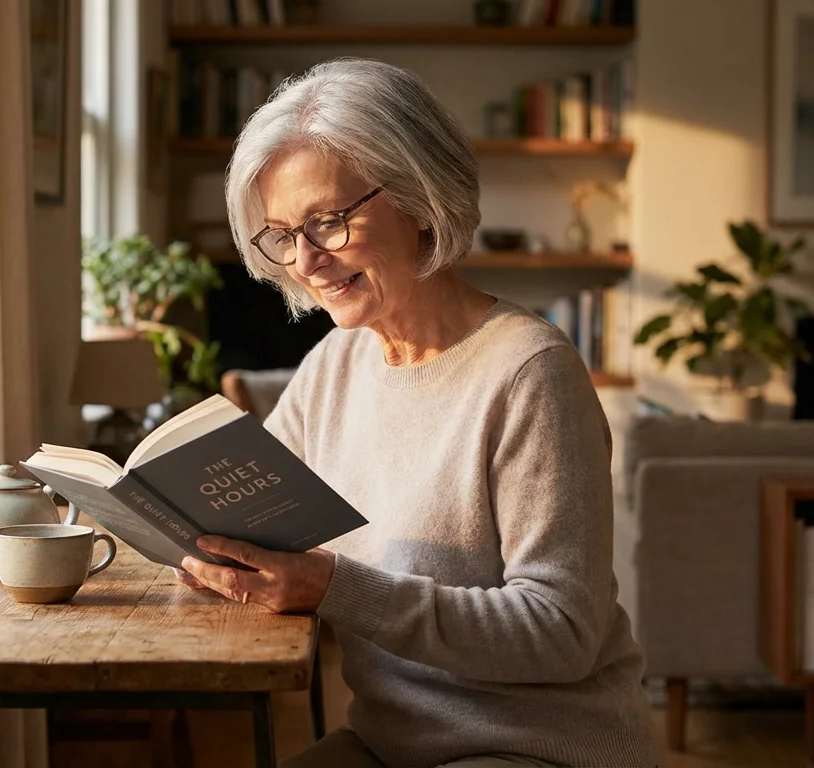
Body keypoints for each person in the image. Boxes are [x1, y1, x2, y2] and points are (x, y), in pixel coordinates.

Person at [176, 58, 656, 768]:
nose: (305, 261)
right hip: (392, 743)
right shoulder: (336, 365)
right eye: (281, 234)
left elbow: (560, 631)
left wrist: (335, 588)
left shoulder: (530, 372)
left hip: (540, 747)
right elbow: (250, 523)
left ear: (420, 200)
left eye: (328, 222)